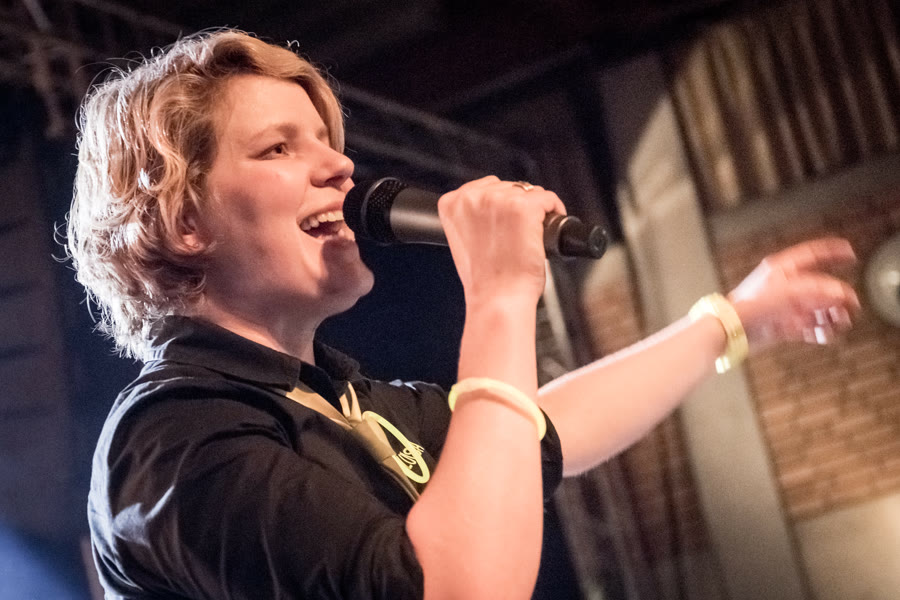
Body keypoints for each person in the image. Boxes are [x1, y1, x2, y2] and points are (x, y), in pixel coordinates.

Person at [67, 29, 860, 600]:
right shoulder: (176, 437)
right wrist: (501, 297)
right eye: (278, 149)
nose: (339, 165)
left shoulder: (343, 403)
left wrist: (734, 318)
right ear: (183, 220)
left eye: (327, 141)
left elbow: (541, 426)